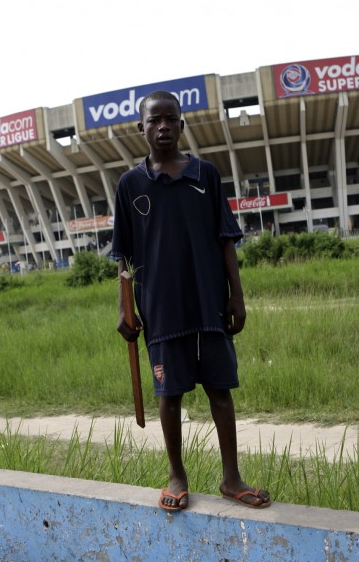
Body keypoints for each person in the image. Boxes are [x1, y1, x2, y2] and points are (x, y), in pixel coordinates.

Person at [111, 90, 271, 512]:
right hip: (162, 308)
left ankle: (232, 478)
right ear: (141, 128)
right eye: (154, 121)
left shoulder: (205, 174)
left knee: (221, 391)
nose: (163, 127)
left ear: (182, 125)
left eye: (170, 119)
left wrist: (237, 295)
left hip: (209, 304)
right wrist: (124, 307)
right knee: (170, 395)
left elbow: (225, 239)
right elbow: (124, 257)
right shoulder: (130, 185)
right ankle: (176, 475)